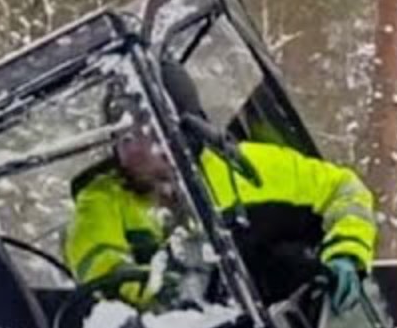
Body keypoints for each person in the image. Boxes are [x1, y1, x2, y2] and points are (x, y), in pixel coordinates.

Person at [64, 77, 377, 314]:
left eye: (142, 134)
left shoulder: (242, 166)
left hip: (294, 326)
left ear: (181, 127)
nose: (130, 151)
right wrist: (158, 291)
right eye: (122, 138)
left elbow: (344, 189)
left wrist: (346, 254)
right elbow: (101, 265)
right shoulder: (101, 201)